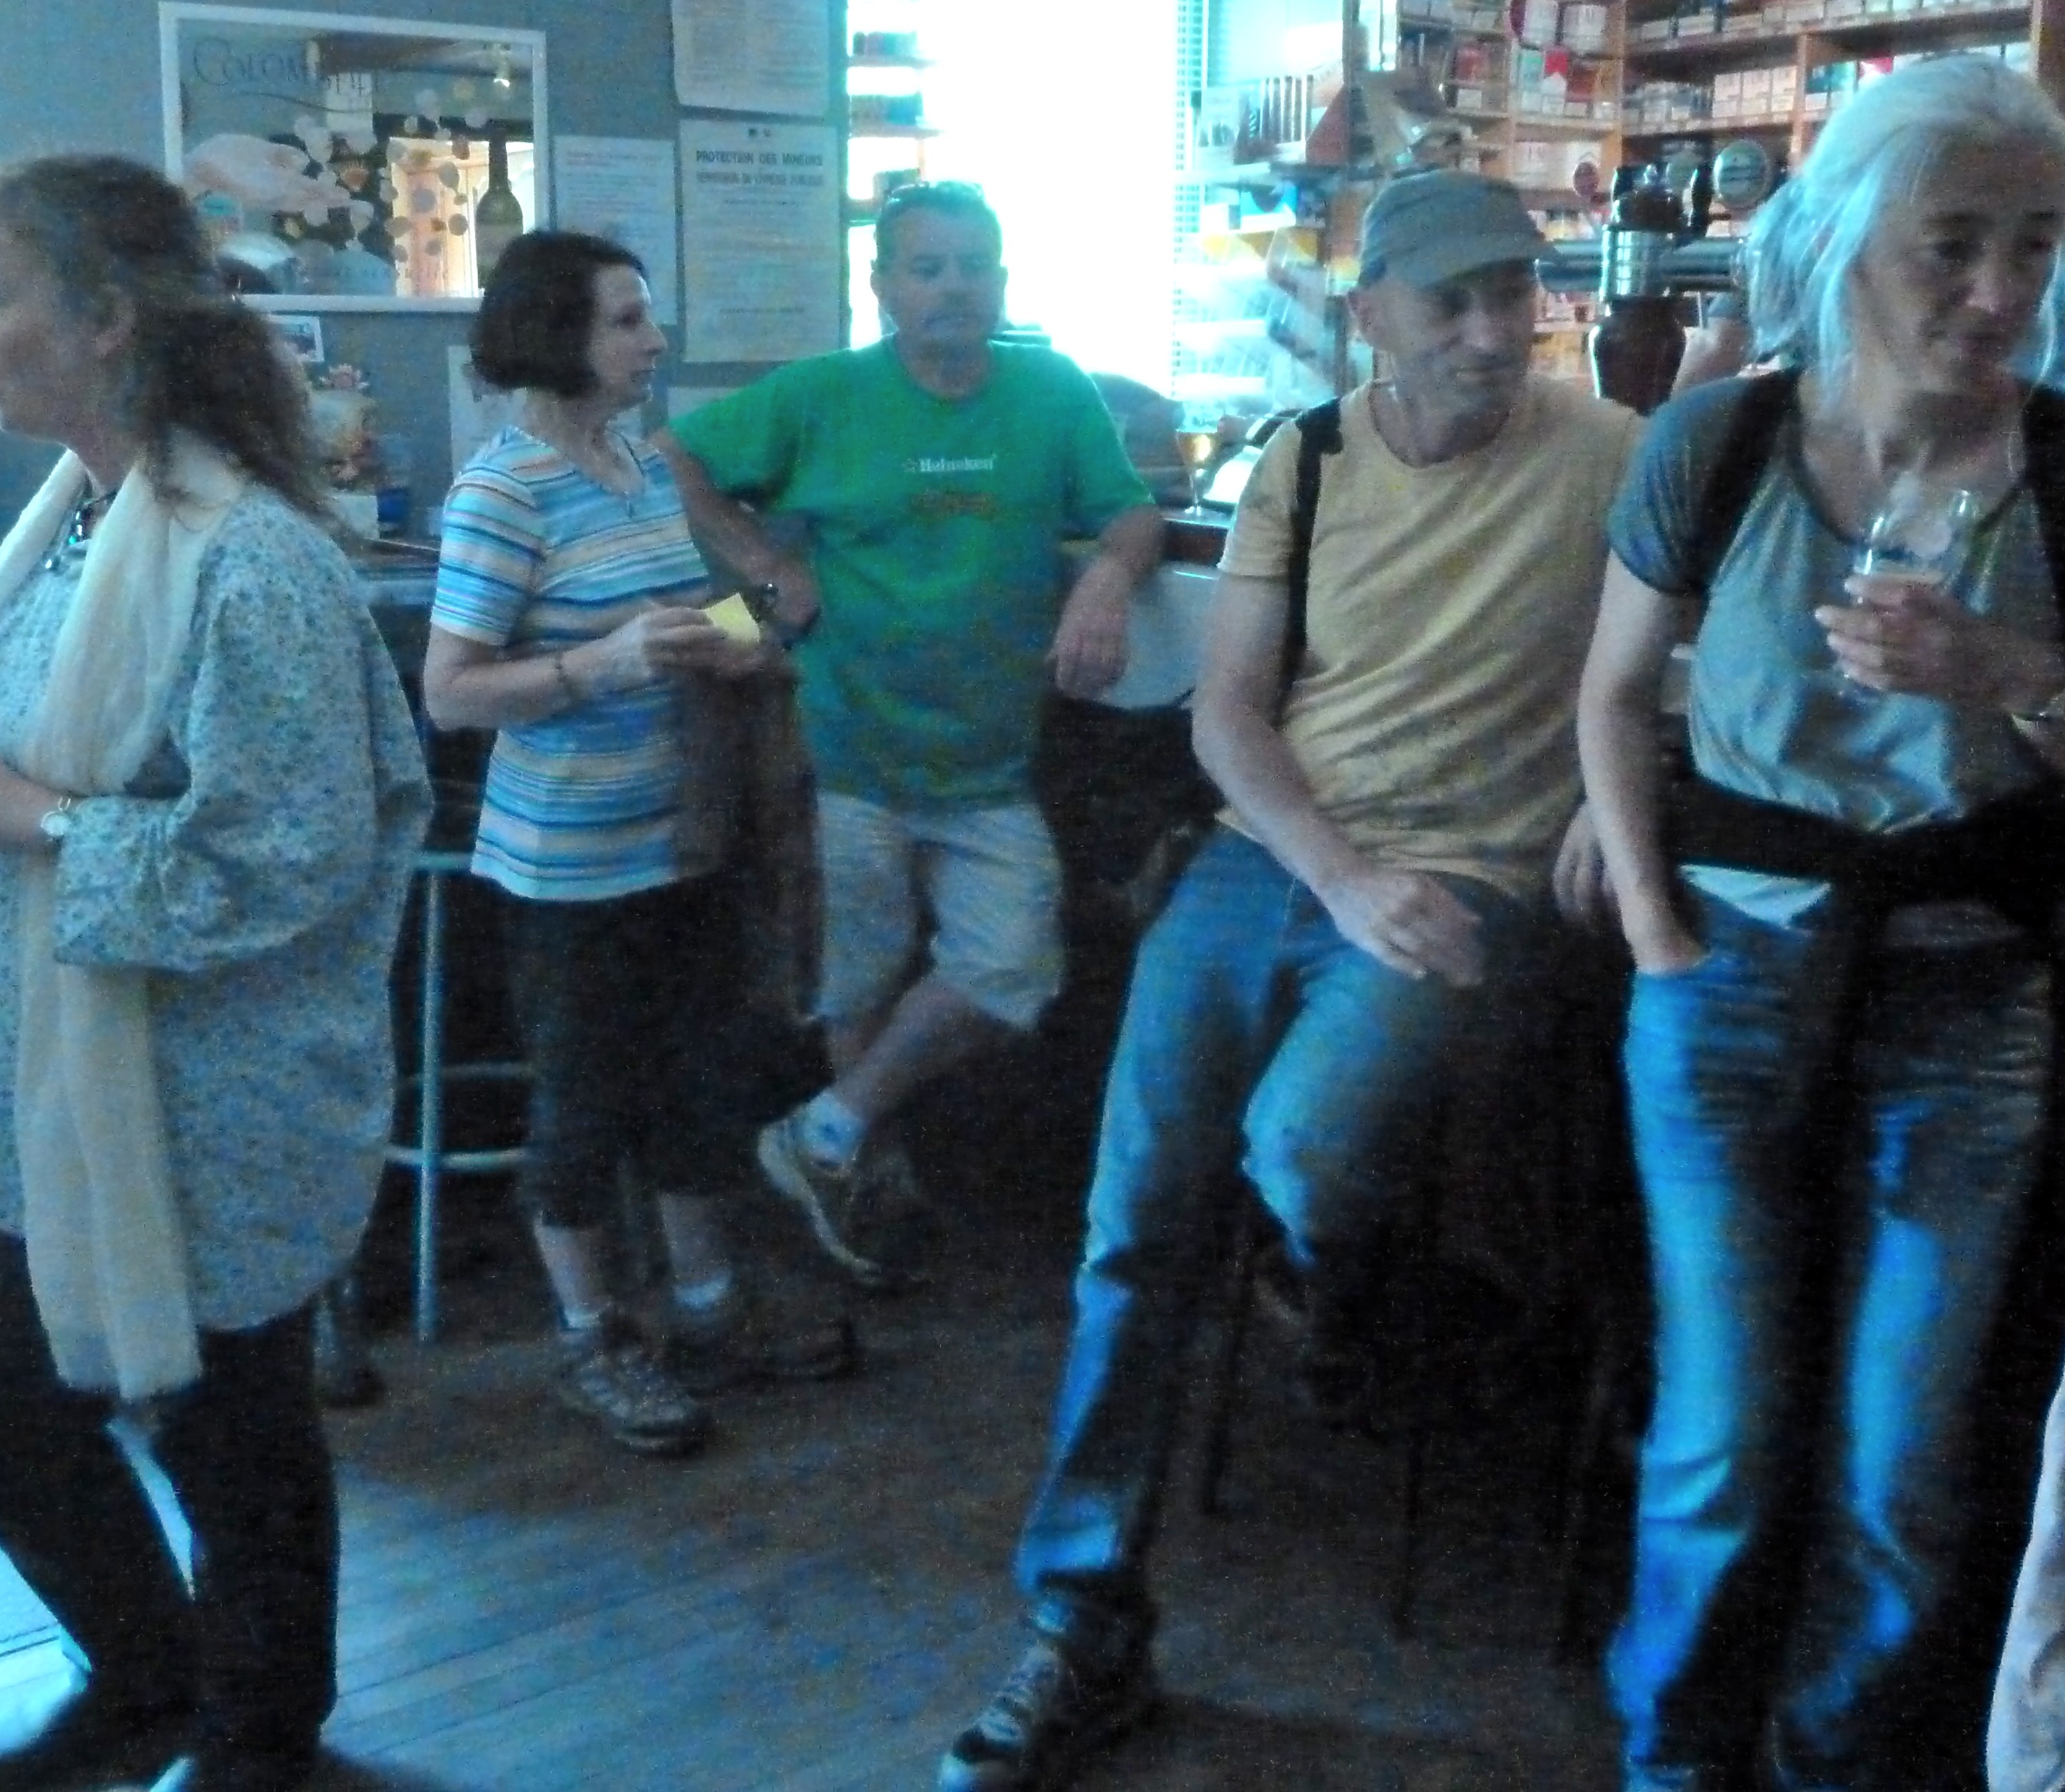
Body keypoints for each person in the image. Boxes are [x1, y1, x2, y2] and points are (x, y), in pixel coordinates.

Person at [933, 169, 1641, 1792]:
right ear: (1370, 314)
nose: (1491, 332)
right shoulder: (1306, 460)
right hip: (1281, 859)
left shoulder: (1613, 454)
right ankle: (1085, 1621)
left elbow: (1699, 638)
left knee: (1314, 1147)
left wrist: (1611, 799)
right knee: (1135, 1223)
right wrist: (1343, 874)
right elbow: (1227, 715)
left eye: (1515, 293)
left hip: (1477, 873)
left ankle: (1363, 1307)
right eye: (1452, 300)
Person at [1576, 56, 2065, 1791]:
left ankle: (1832, 1760)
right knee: (1719, 1439)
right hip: (1727, 975)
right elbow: (1611, 694)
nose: (2000, 290)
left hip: (1967, 990)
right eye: (1954, 243)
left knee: (1902, 1461)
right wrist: (1655, 929)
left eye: (2036, 245)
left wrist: (2007, 676)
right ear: (1848, 233)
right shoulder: (1718, 440)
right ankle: (1674, 1760)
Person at [0, 153, 429, 1792]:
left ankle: (260, 1732)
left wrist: (38, 823)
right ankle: (152, 1671)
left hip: (198, 1106)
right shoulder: (77, 522)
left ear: (105, 319)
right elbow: (72, 707)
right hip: (37, 1097)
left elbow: (284, 860)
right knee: (1, 1423)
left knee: (232, 1443)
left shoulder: (254, 561)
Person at [658, 181, 1163, 1289]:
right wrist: (765, 568)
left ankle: (825, 1131)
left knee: (1016, 967)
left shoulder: (1051, 391)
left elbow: (1131, 510)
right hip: (847, 754)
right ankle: (861, 1187)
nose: (953, 287)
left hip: (989, 768)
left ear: (1003, 281)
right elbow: (674, 455)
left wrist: (1108, 579)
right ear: (883, 285)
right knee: (861, 982)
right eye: (927, 268)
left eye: (973, 266)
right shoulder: (824, 393)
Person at [425, 230, 858, 1458]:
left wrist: (743, 625)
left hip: (683, 841)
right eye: (626, 320)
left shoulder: (638, 462)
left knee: (699, 1094)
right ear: (554, 336)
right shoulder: (502, 493)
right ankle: (592, 1339)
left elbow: (680, 619)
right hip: (568, 870)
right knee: (585, 1108)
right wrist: (597, 667)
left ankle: (711, 1314)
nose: (655, 341)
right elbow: (452, 692)